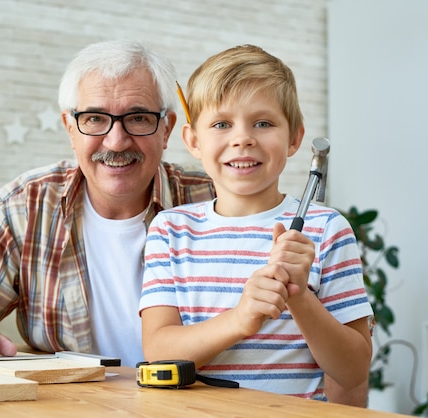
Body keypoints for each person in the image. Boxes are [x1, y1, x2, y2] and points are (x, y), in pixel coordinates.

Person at [0, 40, 215, 368]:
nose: (116, 140)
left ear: (166, 128)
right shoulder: (26, 205)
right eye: (95, 119)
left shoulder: (213, 200)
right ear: (70, 128)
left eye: (138, 118)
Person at [139, 44, 373, 405]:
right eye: (221, 124)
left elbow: (353, 370)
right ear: (193, 141)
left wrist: (300, 298)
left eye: (263, 123)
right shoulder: (170, 230)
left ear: (294, 138)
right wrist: (241, 318)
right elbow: (159, 352)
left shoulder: (327, 229)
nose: (242, 138)